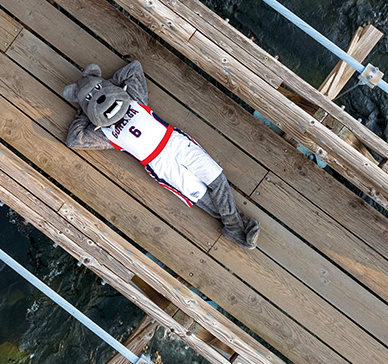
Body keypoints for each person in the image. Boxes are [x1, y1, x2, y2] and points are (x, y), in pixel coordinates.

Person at [61, 61, 260, 249]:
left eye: (98, 91)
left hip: (176, 143)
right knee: (201, 195)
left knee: (217, 178)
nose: (100, 99)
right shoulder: (104, 134)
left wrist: (109, 88)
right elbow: (74, 139)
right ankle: (237, 227)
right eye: (91, 99)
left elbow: (133, 68)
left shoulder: (133, 99)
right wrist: (87, 111)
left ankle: (234, 226)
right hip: (161, 164)